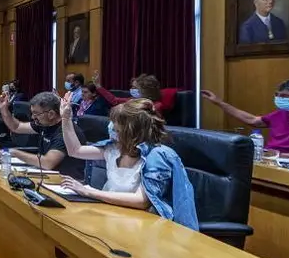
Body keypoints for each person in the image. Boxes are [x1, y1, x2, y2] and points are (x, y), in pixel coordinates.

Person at [58, 96, 199, 230]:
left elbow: (141, 201)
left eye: (116, 125)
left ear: (131, 130)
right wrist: (65, 118)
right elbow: (75, 150)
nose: (111, 127)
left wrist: (89, 192)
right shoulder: (113, 148)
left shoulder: (156, 155)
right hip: (110, 214)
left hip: (141, 224)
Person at [0, 91, 86, 179]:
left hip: (67, 182)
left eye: (36, 113)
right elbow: (16, 127)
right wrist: (4, 109)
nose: (33, 117)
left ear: (51, 114)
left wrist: (16, 153)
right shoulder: (44, 123)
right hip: (47, 176)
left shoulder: (65, 132)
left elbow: (48, 163)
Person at [202, 79, 289, 154]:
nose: (279, 98)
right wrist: (219, 103)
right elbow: (252, 120)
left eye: (284, 96)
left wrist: (276, 154)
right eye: (277, 95)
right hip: (269, 160)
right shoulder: (281, 113)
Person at [93, 71, 164, 115]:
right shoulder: (132, 100)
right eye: (132, 87)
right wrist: (98, 86)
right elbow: (114, 100)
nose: (131, 89)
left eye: (135, 87)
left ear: (146, 90)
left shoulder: (157, 106)